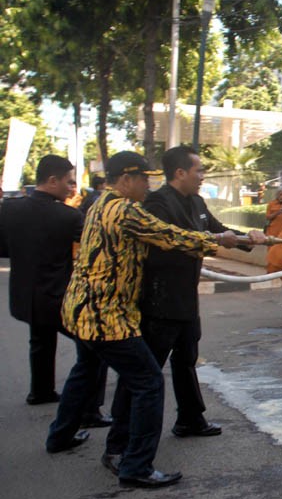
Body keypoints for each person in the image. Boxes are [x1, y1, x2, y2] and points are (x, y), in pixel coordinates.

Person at [45, 151, 233, 489]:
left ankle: (60, 436)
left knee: (86, 371)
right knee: (148, 382)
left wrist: (230, 238)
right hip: (105, 316)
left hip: (82, 310)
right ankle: (136, 465)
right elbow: (171, 237)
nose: (148, 184)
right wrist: (217, 242)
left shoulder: (99, 203)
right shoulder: (125, 209)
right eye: (144, 178)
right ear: (127, 179)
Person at [127, 145, 263, 439]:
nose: (202, 176)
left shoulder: (197, 203)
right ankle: (124, 433)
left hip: (186, 298)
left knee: (186, 359)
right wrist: (213, 239)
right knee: (148, 369)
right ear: (180, 173)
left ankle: (189, 419)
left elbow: (220, 230)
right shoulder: (157, 204)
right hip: (159, 300)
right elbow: (167, 244)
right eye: (198, 170)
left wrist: (249, 238)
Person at [0, 155, 110, 426]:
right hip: (57, 297)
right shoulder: (68, 215)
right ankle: (88, 411)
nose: (72, 189)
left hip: (24, 296)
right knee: (95, 347)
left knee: (40, 341)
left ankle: (41, 391)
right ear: (52, 181)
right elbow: (95, 247)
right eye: (69, 182)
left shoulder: (8, 209)